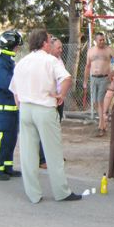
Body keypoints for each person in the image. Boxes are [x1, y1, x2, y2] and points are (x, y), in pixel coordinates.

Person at [9, 29, 81, 203]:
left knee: (28, 152)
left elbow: (14, 90)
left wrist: (21, 104)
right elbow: (67, 78)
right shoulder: (51, 60)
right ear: (44, 43)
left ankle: (33, 193)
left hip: (26, 109)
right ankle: (61, 192)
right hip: (44, 108)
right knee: (53, 152)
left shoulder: (22, 62)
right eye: (49, 40)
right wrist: (61, 96)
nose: (50, 43)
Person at [0, 30, 23, 181]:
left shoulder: (7, 61)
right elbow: (6, 83)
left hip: (10, 107)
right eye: (17, 46)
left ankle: (6, 167)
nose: (18, 49)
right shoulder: (0, 62)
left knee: (11, 138)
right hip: (2, 107)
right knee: (2, 137)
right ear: (10, 46)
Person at [83, 32, 114, 137]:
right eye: (100, 40)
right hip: (93, 79)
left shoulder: (108, 49)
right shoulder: (91, 51)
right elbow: (87, 66)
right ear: (96, 40)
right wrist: (85, 82)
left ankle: (101, 127)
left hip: (104, 78)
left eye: (103, 39)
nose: (102, 41)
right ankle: (103, 124)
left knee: (100, 102)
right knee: (95, 102)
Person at [39, 36, 66, 169]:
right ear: (50, 48)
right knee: (46, 131)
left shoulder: (59, 60)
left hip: (59, 99)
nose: (61, 50)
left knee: (55, 130)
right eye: (58, 48)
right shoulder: (47, 62)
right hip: (49, 100)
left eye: (61, 47)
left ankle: (53, 155)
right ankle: (42, 159)